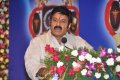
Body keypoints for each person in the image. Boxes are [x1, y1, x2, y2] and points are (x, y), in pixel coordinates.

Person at [24, 6, 93, 80]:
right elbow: (31, 64)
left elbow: (93, 57)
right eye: (55, 20)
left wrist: (82, 64)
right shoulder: (38, 42)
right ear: (50, 22)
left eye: (63, 21)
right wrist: (44, 72)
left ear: (69, 25)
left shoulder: (77, 41)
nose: (58, 24)